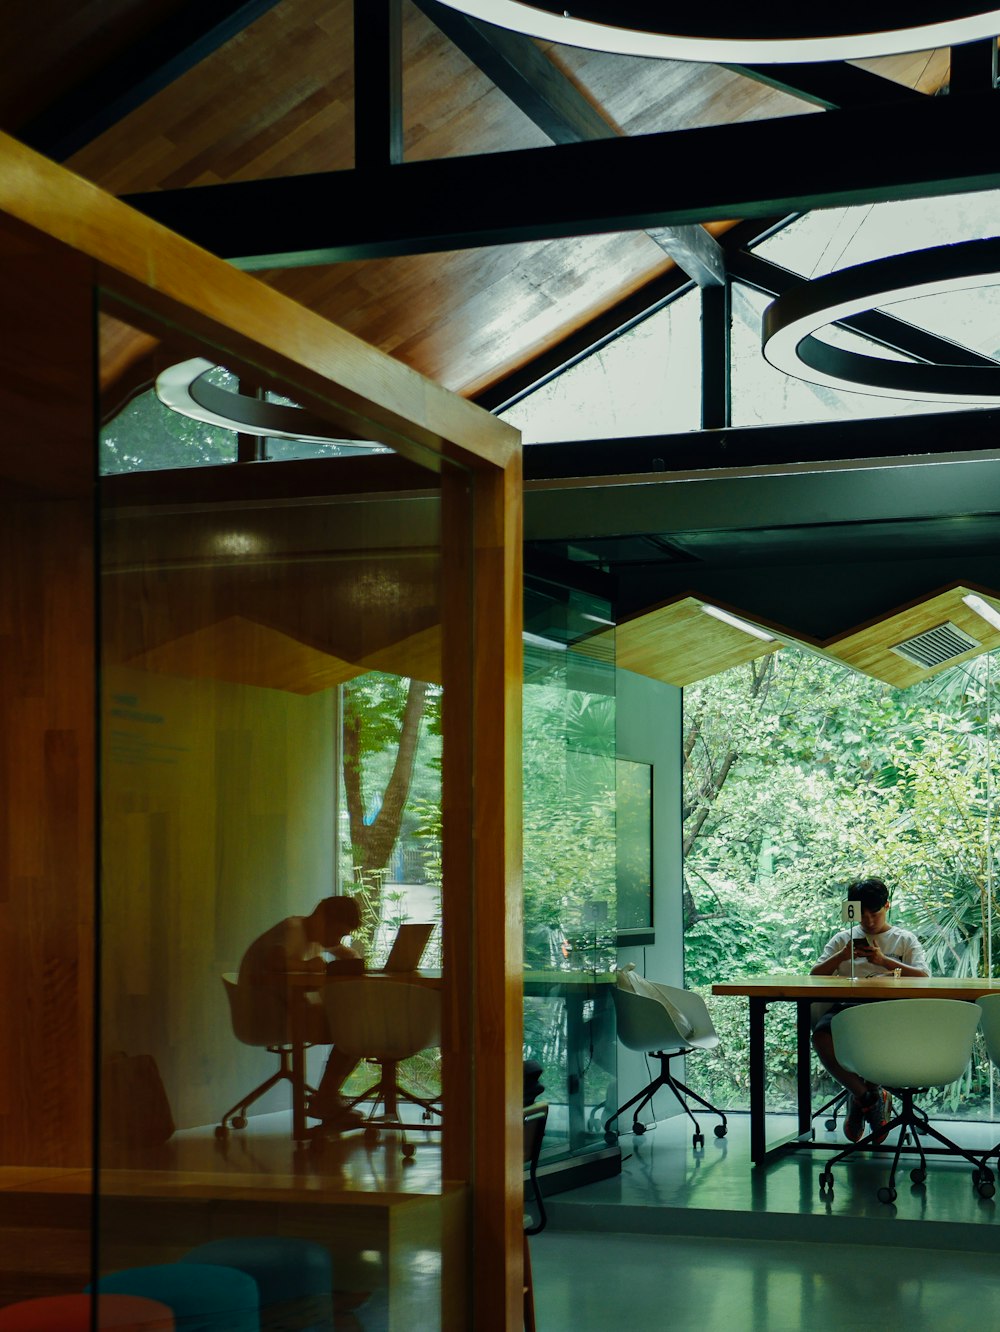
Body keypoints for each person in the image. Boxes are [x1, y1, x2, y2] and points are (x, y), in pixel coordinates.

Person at [810, 876, 929, 1144]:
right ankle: (868, 1098)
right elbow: (814, 975)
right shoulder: (843, 939)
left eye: (874, 913)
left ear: (887, 906)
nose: (868, 921)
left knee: (872, 1040)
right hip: (849, 1010)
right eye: (861, 915)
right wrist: (842, 957)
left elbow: (923, 977)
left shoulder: (903, 939)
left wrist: (884, 961)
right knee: (820, 1037)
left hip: (892, 1012)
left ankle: (860, 1099)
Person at [238, 895, 364, 1131]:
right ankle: (326, 1098)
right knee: (351, 1029)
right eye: (336, 932)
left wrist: (349, 956)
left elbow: (345, 953)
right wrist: (308, 965)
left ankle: (326, 1098)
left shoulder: (313, 935)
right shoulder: (293, 930)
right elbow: (274, 960)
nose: (336, 939)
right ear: (320, 919)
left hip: (279, 1008)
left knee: (351, 1027)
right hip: (264, 1013)